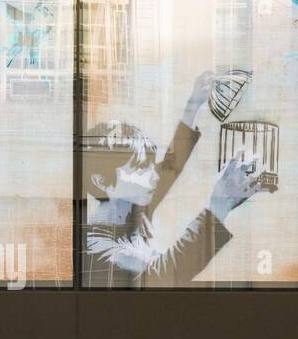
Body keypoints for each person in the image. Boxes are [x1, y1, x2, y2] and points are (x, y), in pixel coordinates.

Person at [82, 74, 269, 288]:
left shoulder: (129, 205)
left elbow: (171, 166)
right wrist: (218, 208)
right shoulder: (96, 248)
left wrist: (193, 105)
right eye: (140, 167)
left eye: (151, 164)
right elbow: (166, 274)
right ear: (102, 182)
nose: (154, 174)